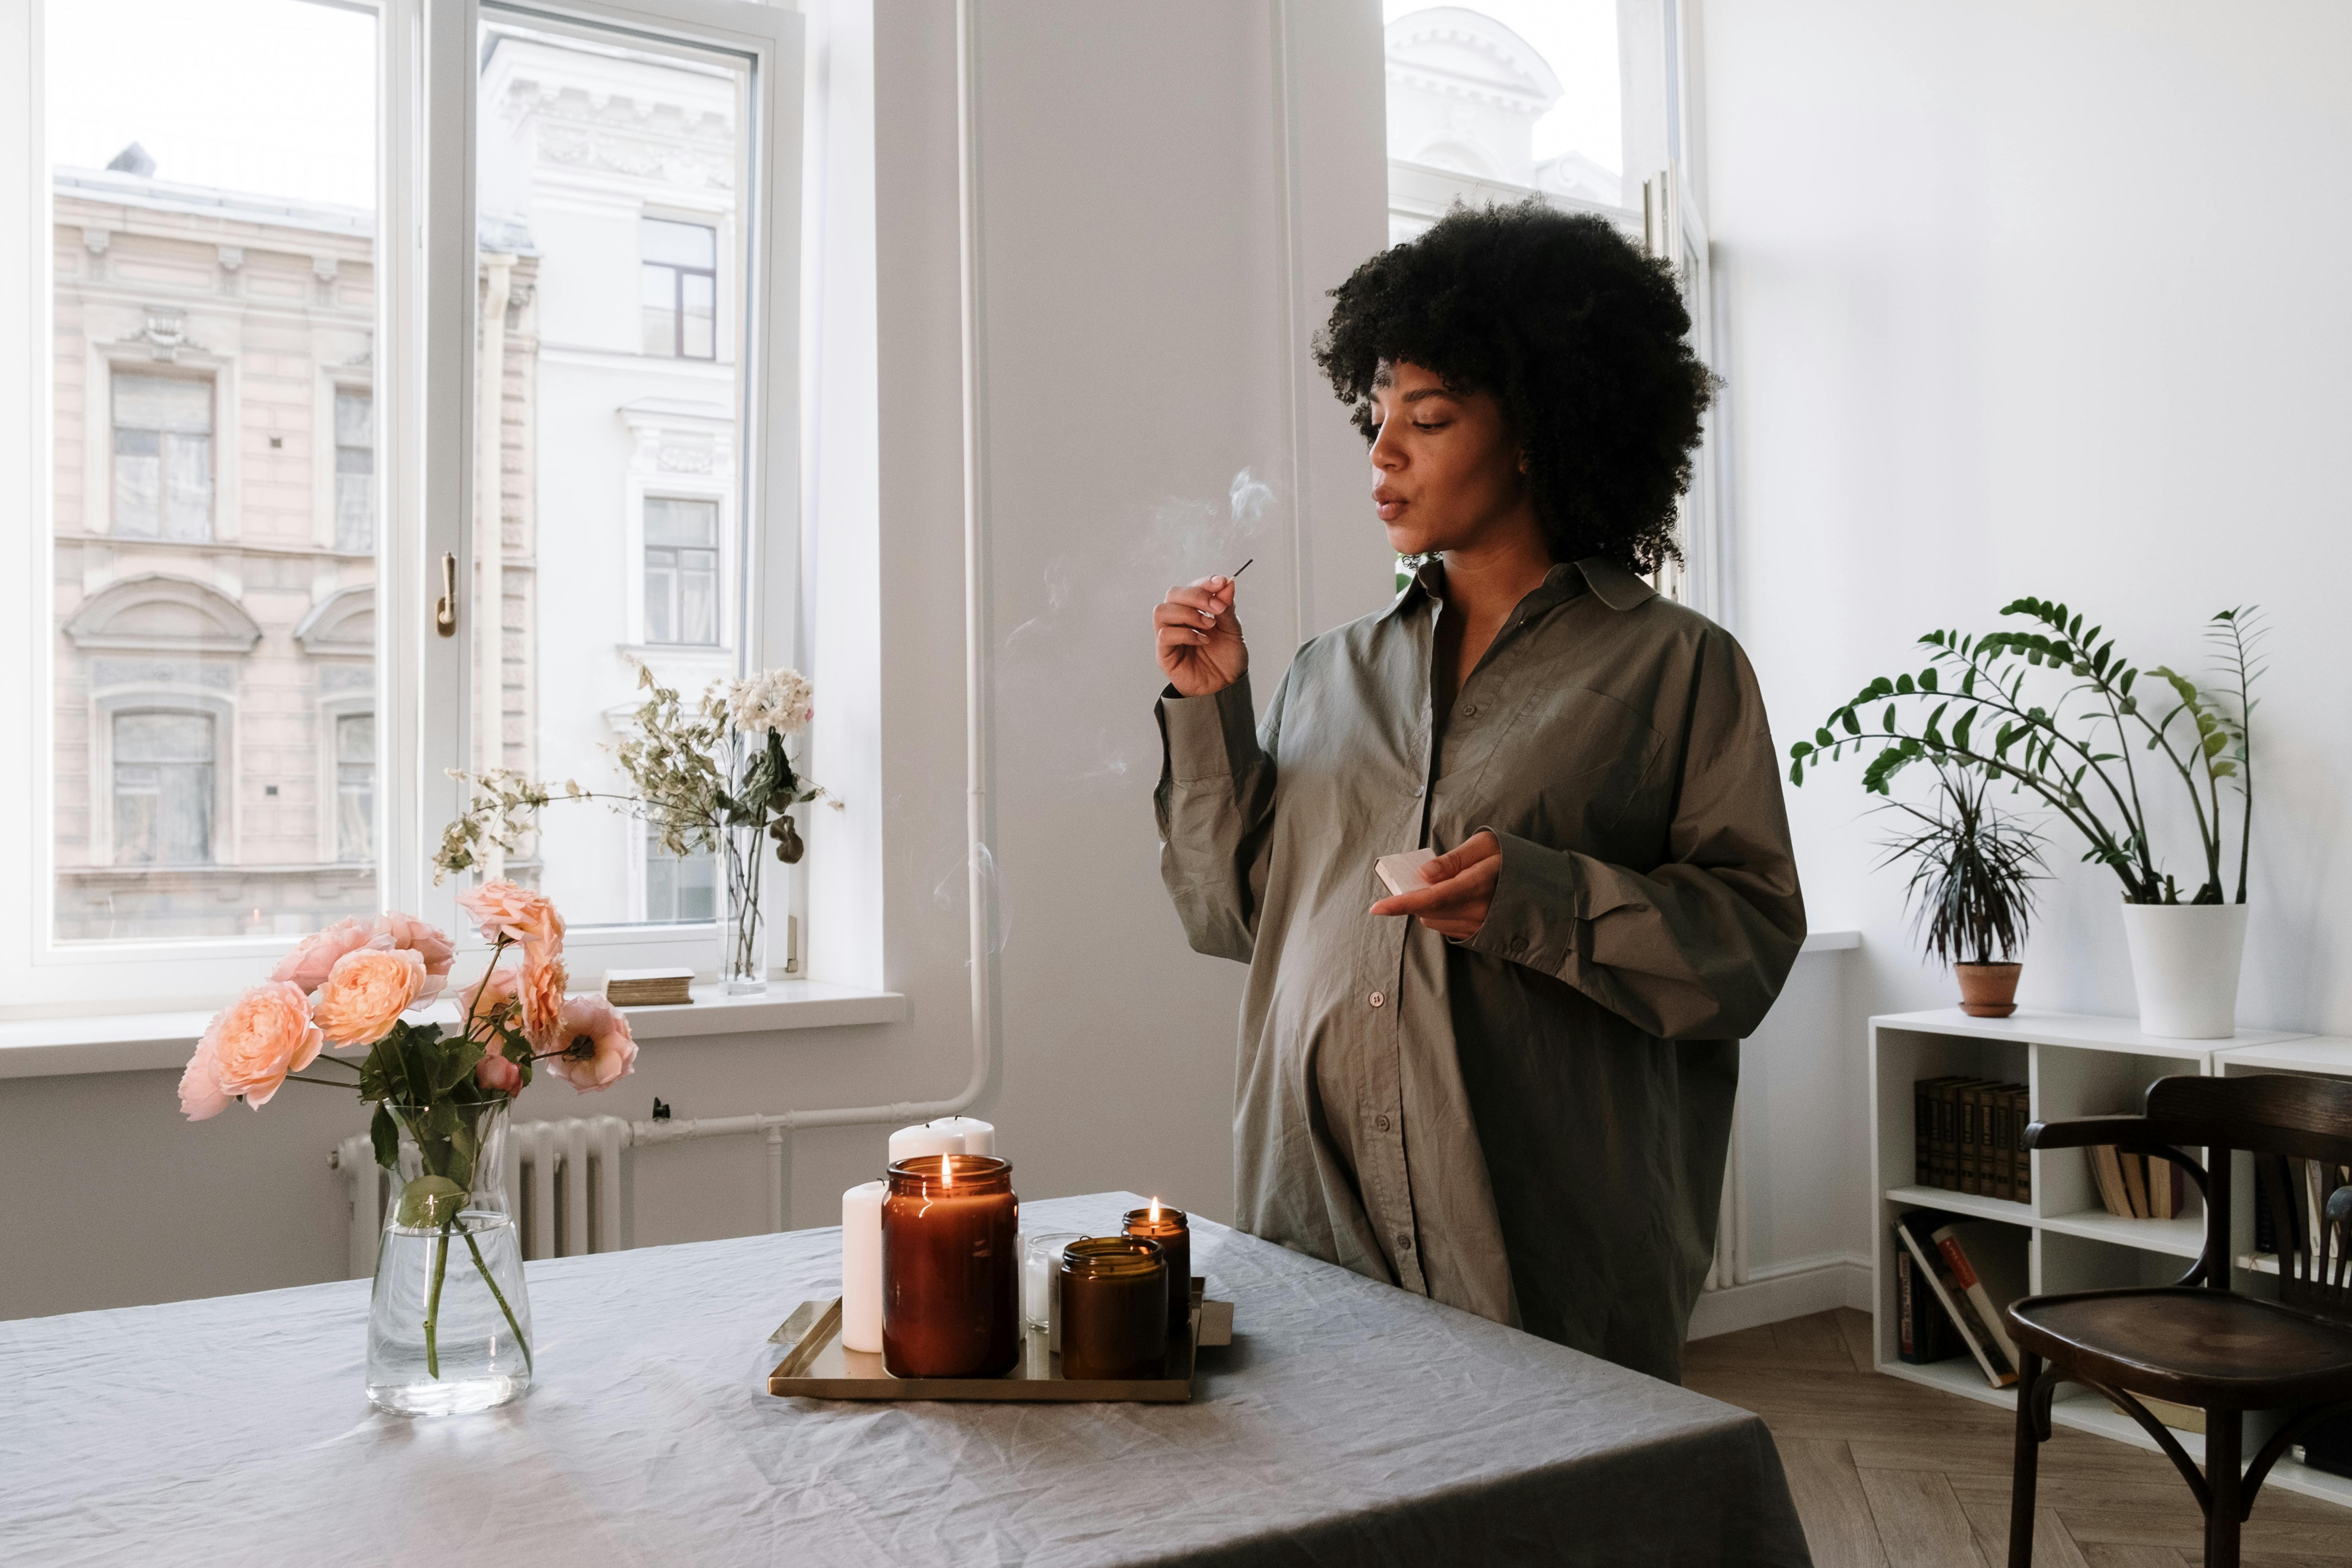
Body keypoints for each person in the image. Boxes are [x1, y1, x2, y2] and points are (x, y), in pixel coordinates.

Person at [1149, 200, 1804, 1384]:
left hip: (1543, 1236)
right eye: (1378, 416)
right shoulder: (1324, 671)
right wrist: (1209, 715)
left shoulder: (1677, 667)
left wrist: (1539, 899)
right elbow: (1233, 921)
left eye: (1431, 418)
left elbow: (1747, 950)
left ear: (1537, 433)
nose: (1384, 452)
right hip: (1318, 1215)